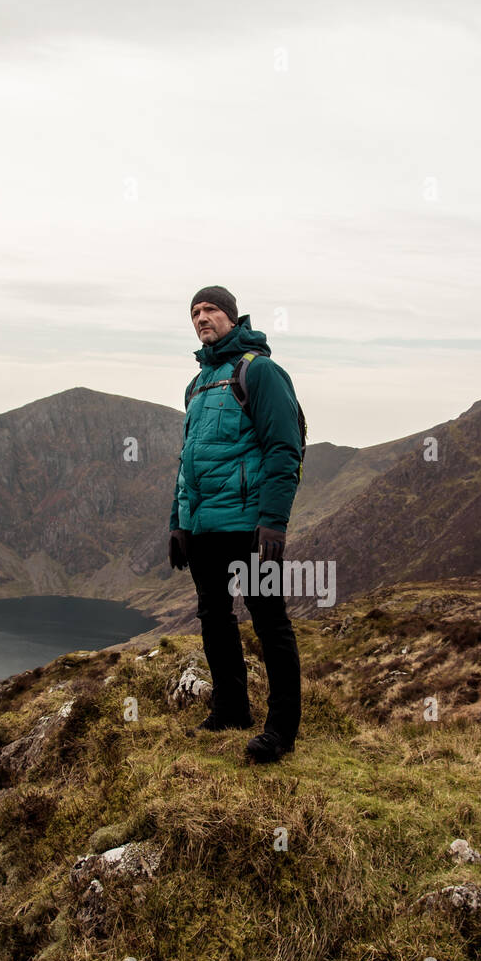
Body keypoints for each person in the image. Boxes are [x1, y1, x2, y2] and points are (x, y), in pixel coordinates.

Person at [168, 285, 302, 764]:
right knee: (214, 619)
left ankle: (281, 731)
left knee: (269, 621)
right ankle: (230, 710)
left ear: (232, 316)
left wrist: (272, 522)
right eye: (195, 312)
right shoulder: (198, 385)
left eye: (210, 310)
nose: (202, 317)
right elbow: (188, 462)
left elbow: (285, 448)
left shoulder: (259, 371)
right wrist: (177, 523)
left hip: (249, 528)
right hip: (205, 529)